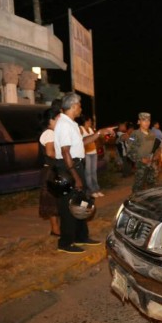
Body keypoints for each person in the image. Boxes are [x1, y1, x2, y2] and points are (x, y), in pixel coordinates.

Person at [53, 92, 114, 254]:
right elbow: (65, 152)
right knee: (69, 206)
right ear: (73, 106)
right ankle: (65, 243)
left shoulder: (71, 123)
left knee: (82, 202)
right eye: (79, 105)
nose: (81, 108)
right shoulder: (64, 125)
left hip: (75, 165)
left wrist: (99, 134)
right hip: (68, 167)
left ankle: (81, 236)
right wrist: (75, 176)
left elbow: (81, 143)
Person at [38, 106, 62, 237]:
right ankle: (55, 228)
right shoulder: (49, 133)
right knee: (52, 201)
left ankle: (56, 227)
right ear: (52, 119)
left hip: (53, 169)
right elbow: (50, 152)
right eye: (58, 118)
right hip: (51, 171)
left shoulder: (52, 132)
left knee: (56, 200)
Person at [129, 112, 159, 192]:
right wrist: (141, 159)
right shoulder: (134, 134)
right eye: (144, 120)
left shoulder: (152, 134)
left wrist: (156, 154)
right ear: (139, 121)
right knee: (138, 187)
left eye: (148, 120)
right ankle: (134, 202)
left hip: (151, 163)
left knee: (152, 185)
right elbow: (130, 151)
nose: (147, 123)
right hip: (141, 165)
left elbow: (156, 147)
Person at [78, 114, 103, 198]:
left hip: (93, 152)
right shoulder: (80, 129)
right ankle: (91, 190)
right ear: (86, 121)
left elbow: (95, 139)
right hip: (86, 153)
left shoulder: (90, 129)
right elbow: (81, 141)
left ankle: (97, 189)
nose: (91, 122)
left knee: (94, 171)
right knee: (88, 172)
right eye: (90, 121)